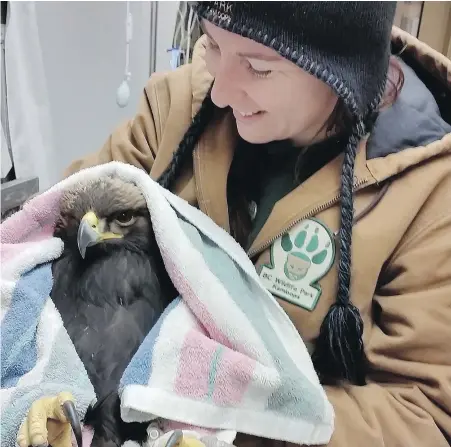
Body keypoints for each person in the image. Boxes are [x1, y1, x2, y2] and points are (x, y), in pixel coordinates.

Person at [18, 2, 451, 446]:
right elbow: (44, 237)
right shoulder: (176, 107)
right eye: (212, 44)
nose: (221, 90)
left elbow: (420, 414)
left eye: (258, 67)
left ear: (339, 70)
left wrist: (221, 424)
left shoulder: (431, 196)